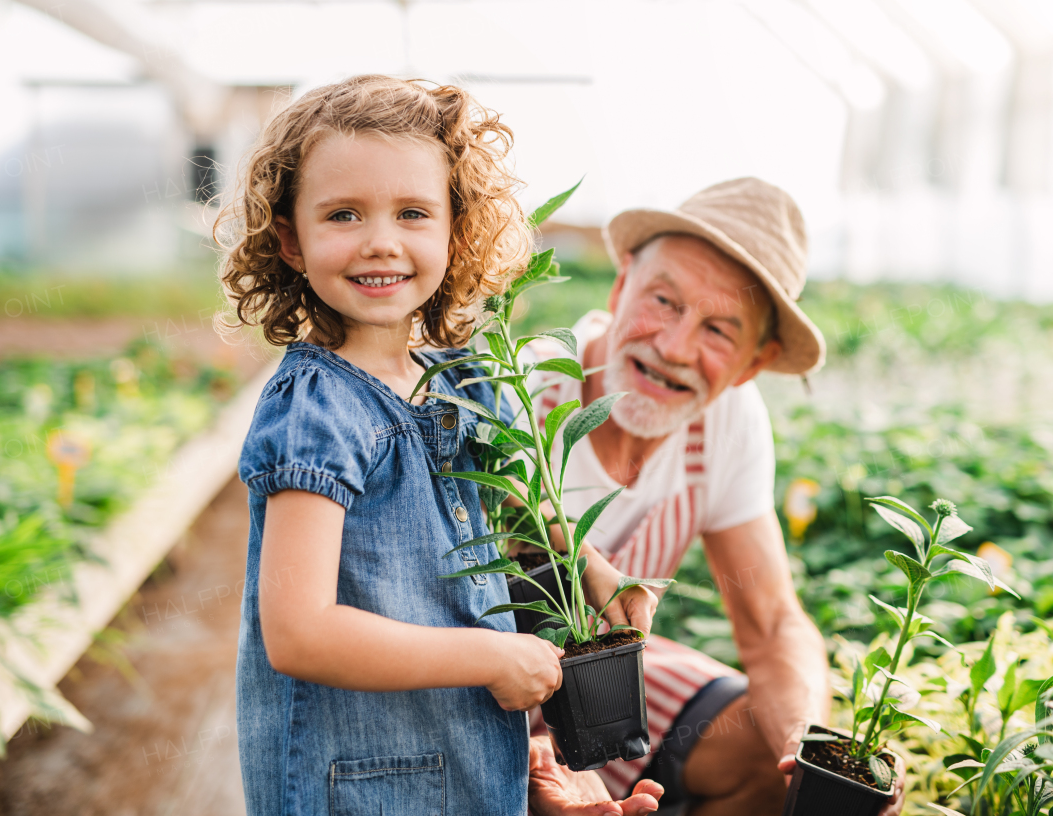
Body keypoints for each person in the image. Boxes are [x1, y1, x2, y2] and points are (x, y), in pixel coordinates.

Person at [216, 74, 644, 816]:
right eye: (344, 214)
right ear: (291, 238)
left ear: (457, 228)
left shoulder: (465, 378)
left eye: (413, 212)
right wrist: (489, 655)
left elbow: (508, 526)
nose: (380, 241)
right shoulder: (316, 408)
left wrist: (590, 570)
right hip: (351, 785)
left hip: (467, 763)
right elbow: (299, 631)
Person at [525, 178, 905, 815]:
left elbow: (773, 623)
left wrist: (808, 746)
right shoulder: (522, 388)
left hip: (603, 705)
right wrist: (528, 757)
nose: (673, 348)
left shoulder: (728, 421)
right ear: (621, 287)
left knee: (765, 743)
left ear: (755, 363)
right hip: (469, 686)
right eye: (664, 301)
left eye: (719, 331)